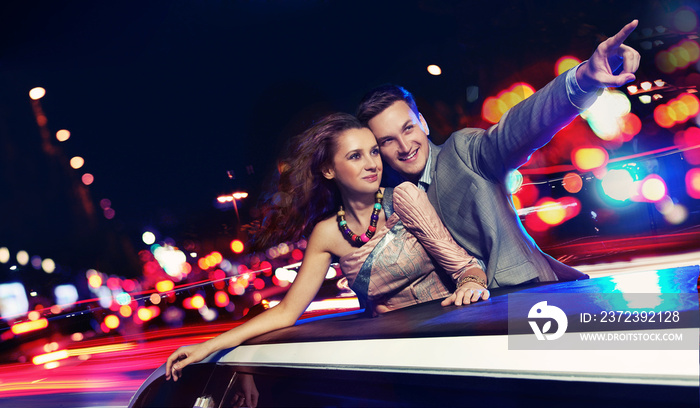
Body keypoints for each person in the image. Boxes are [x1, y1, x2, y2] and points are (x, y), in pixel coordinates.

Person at [166, 113, 488, 387]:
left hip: (451, 341)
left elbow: (465, 267)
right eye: (355, 156)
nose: (371, 164)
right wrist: (206, 347)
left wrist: (471, 282)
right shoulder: (326, 234)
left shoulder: (404, 198)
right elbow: (286, 312)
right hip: (397, 361)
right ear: (329, 170)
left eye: (373, 152)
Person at [356, 20, 641, 290]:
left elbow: (520, 127)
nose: (404, 146)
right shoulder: (391, 200)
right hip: (459, 318)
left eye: (408, 129)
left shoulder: (461, 151)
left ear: (423, 123)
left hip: (520, 296)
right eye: (388, 141)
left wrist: (584, 79)